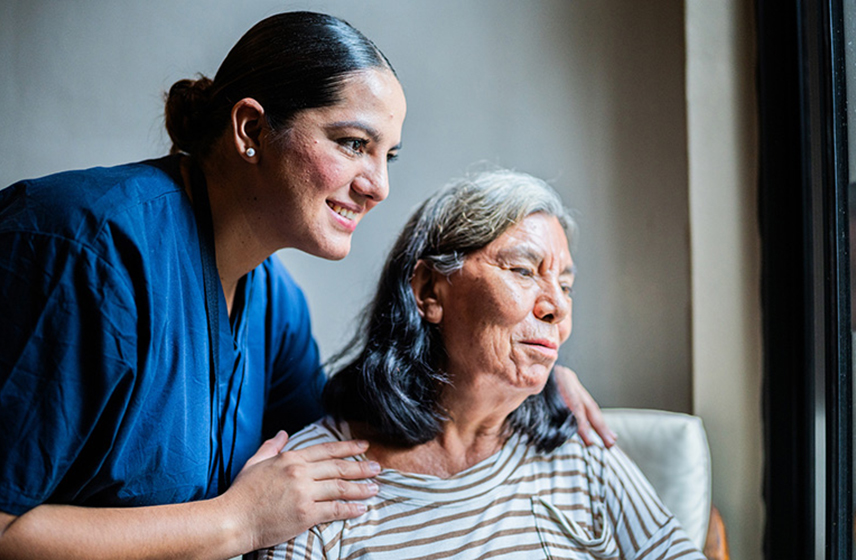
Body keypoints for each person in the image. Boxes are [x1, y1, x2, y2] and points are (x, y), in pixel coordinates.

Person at [0, 11, 610, 560]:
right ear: (250, 131)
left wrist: (511, 370)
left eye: (386, 156)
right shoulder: (80, 248)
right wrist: (234, 521)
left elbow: (354, 430)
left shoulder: (274, 304)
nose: (378, 185)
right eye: (352, 145)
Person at [252, 169, 705, 559]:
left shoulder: (577, 445)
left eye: (565, 286)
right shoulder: (319, 480)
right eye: (524, 271)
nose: (557, 307)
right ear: (430, 290)